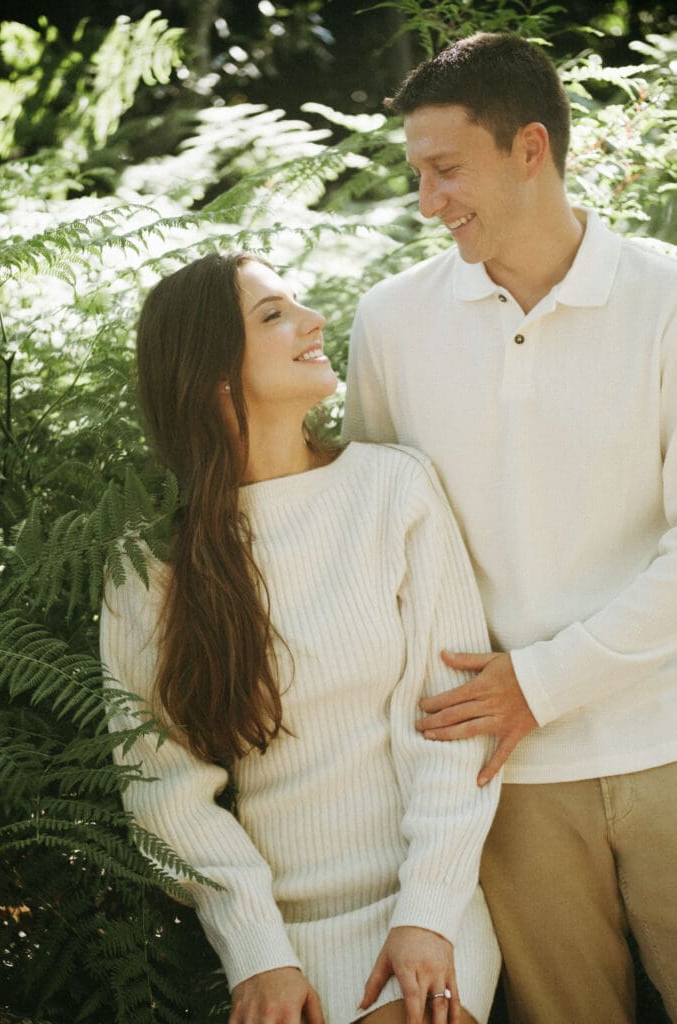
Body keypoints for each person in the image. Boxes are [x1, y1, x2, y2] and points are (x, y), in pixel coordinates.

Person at [342, 29, 677, 1024]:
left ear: (529, 149)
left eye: (445, 170)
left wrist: (539, 681)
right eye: (415, 174)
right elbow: (375, 547)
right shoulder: (389, 323)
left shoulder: (665, 298)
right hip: (498, 782)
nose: (425, 202)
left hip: (665, 740)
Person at [100, 251, 502, 1024]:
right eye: (273, 315)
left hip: (420, 910)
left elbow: (452, 724)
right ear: (213, 374)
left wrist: (427, 909)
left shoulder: (392, 489)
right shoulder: (152, 570)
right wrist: (257, 953)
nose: (312, 321)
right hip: (272, 944)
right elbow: (164, 792)